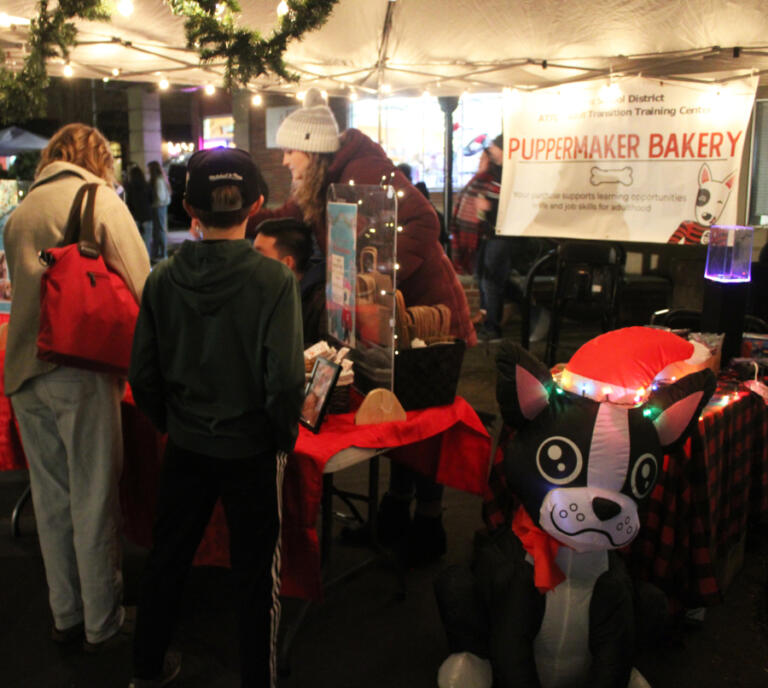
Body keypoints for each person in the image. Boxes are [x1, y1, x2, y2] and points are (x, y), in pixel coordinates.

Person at [250, 88, 475, 565]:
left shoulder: (363, 171)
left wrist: (371, 280)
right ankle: (396, 516)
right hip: (390, 312)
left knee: (421, 416)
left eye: (290, 152)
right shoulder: (325, 180)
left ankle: (428, 526)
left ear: (311, 151)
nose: (286, 161)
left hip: (426, 315)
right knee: (396, 411)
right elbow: (290, 214)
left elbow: (423, 222)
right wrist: (242, 219)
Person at [128, 147, 304, 688]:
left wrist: (171, 423)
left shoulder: (161, 279)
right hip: (250, 448)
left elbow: (143, 374)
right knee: (256, 577)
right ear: (256, 203)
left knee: (167, 560)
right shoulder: (274, 282)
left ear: (187, 208)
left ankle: (146, 669)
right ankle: (259, 678)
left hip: (186, 443)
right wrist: (280, 438)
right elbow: (285, 383)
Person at [3, 123, 150, 651]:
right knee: (94, 497)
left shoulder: (21, 211)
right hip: (78, 369)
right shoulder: (97, 199)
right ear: (96, 159)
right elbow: (142, 280)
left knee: (52, 501)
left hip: (23, 372)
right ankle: (103, 622)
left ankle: (65, 613)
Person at [253, 217, 327, 346]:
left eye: (259, 255)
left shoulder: (320, 301)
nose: (251, 261)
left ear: (287, 263)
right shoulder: (259, 290)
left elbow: (326, 354)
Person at [124, 164, 154, 258]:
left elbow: (128, 203)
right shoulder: (147, 185)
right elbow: (152, 199)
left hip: (135, 217)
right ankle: (147, 263)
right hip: (147, 216)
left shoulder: (129, 187)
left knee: (136, 244)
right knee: (147, 243)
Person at [148, 160, 171, 261]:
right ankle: (160, 252)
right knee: (159, 229)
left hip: (158, 206)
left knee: (160, 229)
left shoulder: (157, 180)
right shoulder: (161, 179)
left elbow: (160, 196)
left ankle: (163, 253)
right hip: (160, 206)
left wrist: (154, 202)